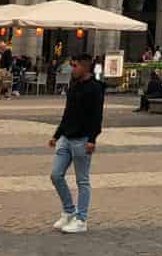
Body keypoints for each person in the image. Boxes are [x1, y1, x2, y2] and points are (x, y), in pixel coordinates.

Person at [49, 53, 104, 234]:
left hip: (82, 139)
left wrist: (92, 139)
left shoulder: (95, 88)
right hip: (66, 137)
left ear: (85, 67)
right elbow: (67, 112)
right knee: (56, 175)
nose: (72, 69)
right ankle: (69, 210)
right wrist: (57, 135)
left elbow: (97, 116)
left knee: (82, 180)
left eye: (75, 66)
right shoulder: (73, 85)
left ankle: (81, 219)